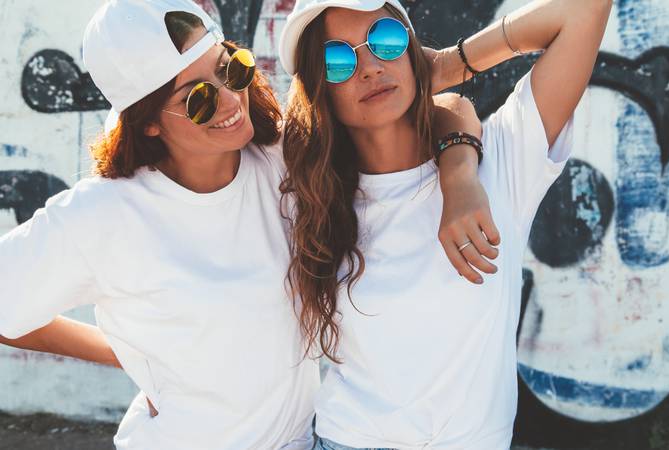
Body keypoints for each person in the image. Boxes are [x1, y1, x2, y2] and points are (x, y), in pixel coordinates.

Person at [0, 0, 491, 448]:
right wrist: (132, 357)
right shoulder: (103, 215)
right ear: (147, 121)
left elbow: (442, 106)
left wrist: (458, 172)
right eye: (198, 99)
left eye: (229, 69)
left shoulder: (281, 159)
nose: (231, 99)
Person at [277, 0, 612, 448]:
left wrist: (455, 64)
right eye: (337, 59)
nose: (370, 68)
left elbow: (583, 12)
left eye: (386, 41)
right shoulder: (311, 196)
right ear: (320, 88)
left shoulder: (502, 163)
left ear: (413, 50)